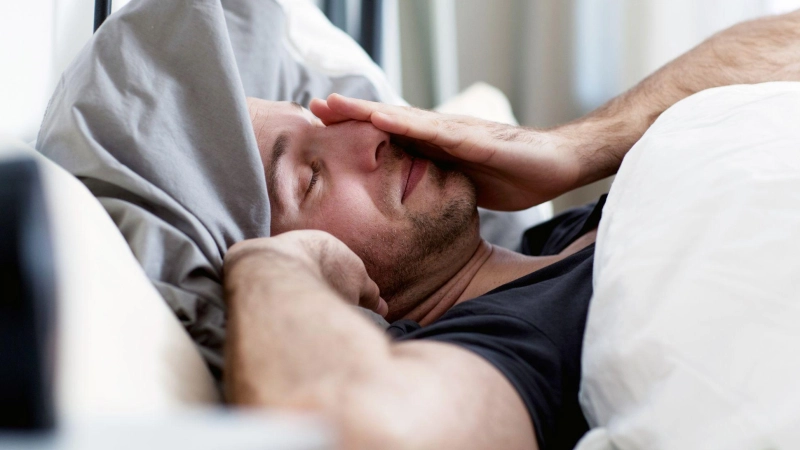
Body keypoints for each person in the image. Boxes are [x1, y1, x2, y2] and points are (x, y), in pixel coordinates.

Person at [223, 11, 800, 450]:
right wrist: (275, 264)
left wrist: (577, 148)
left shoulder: (562, 235)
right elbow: (350, 429)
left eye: (322, 118)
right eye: (309, 178)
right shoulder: (499, 344)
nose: (367, 134)